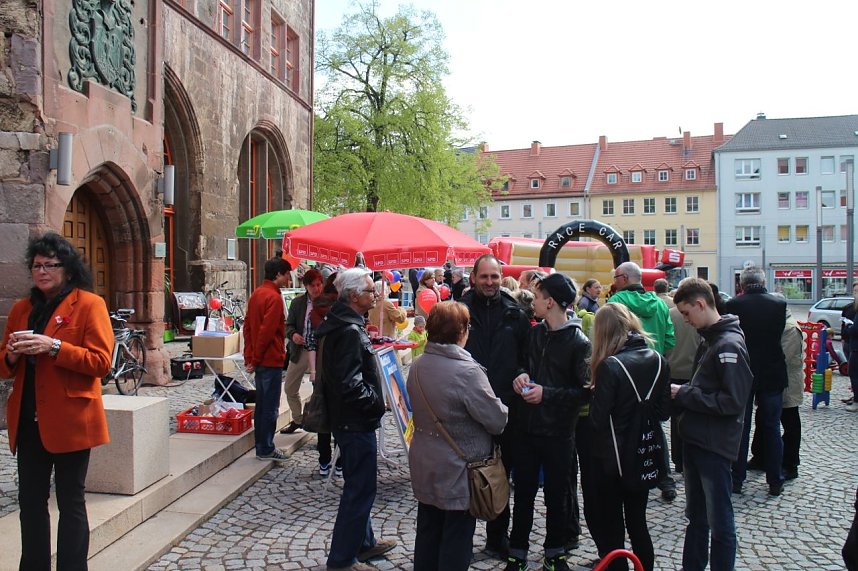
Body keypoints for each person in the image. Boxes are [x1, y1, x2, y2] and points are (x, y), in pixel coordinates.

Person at [0, 232, 113, 571]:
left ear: (67, 269)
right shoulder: (22, 308)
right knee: (30, 501)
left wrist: (54, 348)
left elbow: (101, 363)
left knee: (70, 501)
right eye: (37, 265)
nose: (42, 271)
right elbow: (4, 367)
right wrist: (12, 354)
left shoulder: (89, 304)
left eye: (51, 265)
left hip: (71, 418)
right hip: (28, 418)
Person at [407, 301, 508, 571]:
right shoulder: (467, 372)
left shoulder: (418, 365)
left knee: (428, 530)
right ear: (461, 331)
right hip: (458, 468)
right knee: (457, 536)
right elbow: (496, 421)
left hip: (425, 461)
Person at [505, 274, 591, 571]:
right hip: (526, 430)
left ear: (550, 302)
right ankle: (517, 553)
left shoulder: (579, 343)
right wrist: (520, 375)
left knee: (558, 497)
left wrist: (547, 394)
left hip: (558, 434)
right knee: (524, 496)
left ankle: (555, 554)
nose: (534, 301)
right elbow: (521, 363)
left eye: (538, 296)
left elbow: (584, 393)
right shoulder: (535, 333)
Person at [316, 267, 397, 570]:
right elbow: (349, 384)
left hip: (350, 420)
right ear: (352, 296)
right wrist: (376, 403)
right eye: (369, 290)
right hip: (354, 421)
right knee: (360, 489)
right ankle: (341, 559)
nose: (374, 294)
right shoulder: (348, 330)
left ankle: (364, 543)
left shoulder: (347, 323)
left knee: (358, 484)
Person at [671, 277, 753, 571]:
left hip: (714, 446)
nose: (685, 320)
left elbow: (733, 402)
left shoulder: (727, 344)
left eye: (686, 313)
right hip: (696, 440)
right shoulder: (711, 339)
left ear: (701, 304)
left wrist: (685, 394)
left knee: (719, 521)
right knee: (696, 517)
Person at [587, 303, 670, 571]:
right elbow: (663, 411)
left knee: (613, 525)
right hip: (644, 450)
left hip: (612, 458)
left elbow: (597, 420)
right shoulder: (658, 359)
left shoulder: (610, 366)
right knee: (638, 522)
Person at [460, 254, 531, 559]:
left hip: (506, 407)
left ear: (501, 278)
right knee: (463, 478)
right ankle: (459, 541)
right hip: (466, 408)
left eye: (495, 277)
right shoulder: (459, 312)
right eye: (484, 277)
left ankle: (497, 537)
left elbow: (526, 358)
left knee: (500, 475)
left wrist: (522, 374)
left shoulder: (515, 313)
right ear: (473, 277)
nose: (490, 282)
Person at [608, 261, 676, 500]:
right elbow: (669, 339)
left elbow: (608, 336)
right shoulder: (659, 303)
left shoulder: (616, 302)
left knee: (624, 425)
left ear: (624, 279)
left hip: (624, 370)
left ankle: (628, 473)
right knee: (654, 425)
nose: (613, 281)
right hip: (655, 368)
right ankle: (664, 478)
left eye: (615, 277)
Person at [725, 266, 788, 496]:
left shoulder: (733, 305)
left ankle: (736, 479)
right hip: (772, 371)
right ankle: (775, 480)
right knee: (771, 427)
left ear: (742, 284)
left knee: (740, 427)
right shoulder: (778, 304)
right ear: (763, 281)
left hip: (743, 371)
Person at [243, 257, 292, 462]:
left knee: (263, 405)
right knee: (269, 406)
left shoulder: (257, 294)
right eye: (287, 274)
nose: (290, 278)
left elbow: (247, 328)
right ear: (279, 274)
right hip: (269, 359)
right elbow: (266, 332)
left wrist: (250, 356)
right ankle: (266, 447)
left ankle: (262, 445)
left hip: (262, 358)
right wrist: (255, 358)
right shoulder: (273, 297)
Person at [280, 268, 324, 435]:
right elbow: (288, 325)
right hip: (301, 349)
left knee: (319, 389)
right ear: (305, 286)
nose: (316, 289)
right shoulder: (298, 303)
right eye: (312, 285)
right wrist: (294, 335)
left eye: (319, 285)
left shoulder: (327, 303)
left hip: (320, 352)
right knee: (290, 387)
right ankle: (298, 420)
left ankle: (321, 425)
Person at [666, 301, 701, 473]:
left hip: (673, 368)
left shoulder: (670, 314)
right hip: (693, 370)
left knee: (676, 419)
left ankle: (678, 459)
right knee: (692, 415)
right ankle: (689, 458)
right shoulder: (699, 315)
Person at [841, 282, 858, 412]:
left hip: (856, 346)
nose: (855, 294)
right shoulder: (849, 307)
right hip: (851, 344)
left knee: (854, 373)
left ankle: (857, 401)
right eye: (855, 291)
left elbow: (854, 330)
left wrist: (849, 329)